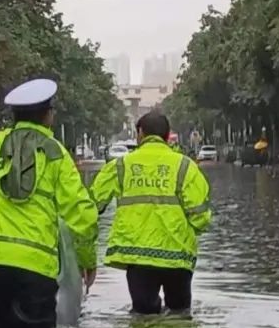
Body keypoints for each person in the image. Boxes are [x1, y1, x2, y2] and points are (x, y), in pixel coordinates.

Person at [0, 78, 99, 328]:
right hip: (34, 269)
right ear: (48, 116)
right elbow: (82, 216)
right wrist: (87, 260)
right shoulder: (57, 156)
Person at [89, 111, 213, 315]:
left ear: (140, 133)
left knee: (142, 317)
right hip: (178, 257)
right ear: (167, 136)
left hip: (138, 258)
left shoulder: (120, 166)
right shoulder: (185, 166)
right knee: (180, 315)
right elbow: (201, 217)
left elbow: (91, 207)